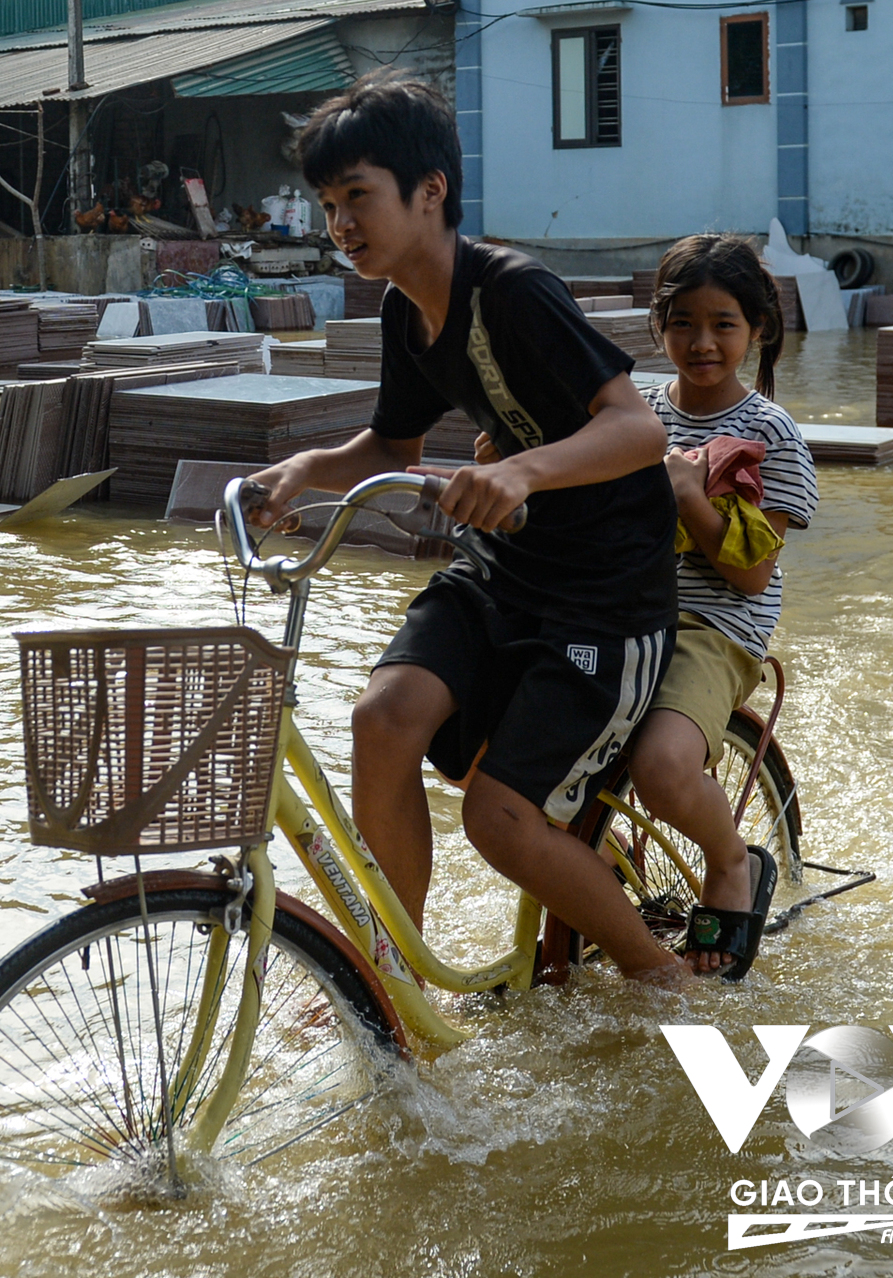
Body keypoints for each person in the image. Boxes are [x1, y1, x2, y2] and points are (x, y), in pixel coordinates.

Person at [245, 70, 687, 984]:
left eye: (357, 196)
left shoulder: (514, 290)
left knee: (497, 817)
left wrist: (521, 467)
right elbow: (391, 442)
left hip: (604, 596)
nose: (340, 224)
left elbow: (639, 428)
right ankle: (392, 974)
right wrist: (304, 469)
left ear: (431, 190)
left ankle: (663, 980)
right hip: (506, 570)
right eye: (329, 204)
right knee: (383, 717)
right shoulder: (407, 311)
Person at [624, 234, 818, 979]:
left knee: (663, 765)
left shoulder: (770, 433)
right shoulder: (636, 412)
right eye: (682, 324)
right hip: (622, 612)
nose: (701, 342)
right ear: (659, 326)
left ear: (758, 329)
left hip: (713, 627)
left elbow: (752, 571)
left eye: (723, 324)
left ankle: (731, 858)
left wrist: (683, 493)